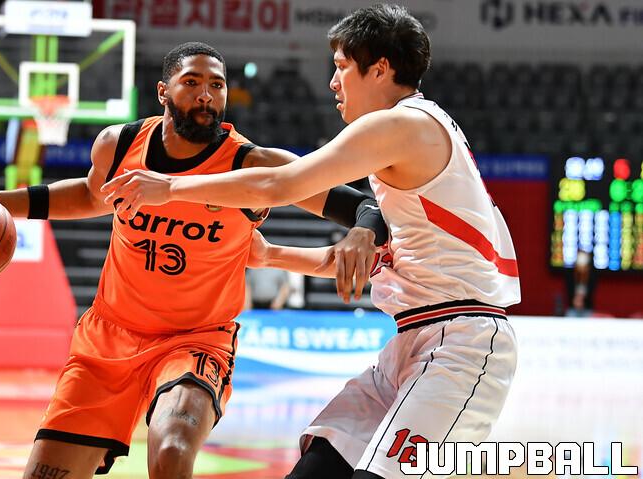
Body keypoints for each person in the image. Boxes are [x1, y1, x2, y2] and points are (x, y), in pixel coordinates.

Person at [0, 42, 389, 479]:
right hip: (108, 338)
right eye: (192, 82)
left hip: (195, 341)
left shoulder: (252, 167)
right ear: (163, 91)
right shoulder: (121, 145)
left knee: (171, 450)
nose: (206, 95)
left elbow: (365, 207)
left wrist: (362, 232)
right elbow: (89, 196)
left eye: (217, 85)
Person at [102, 6, 521, 479]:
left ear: (380, 69)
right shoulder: (411, 142)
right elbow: (359, 262)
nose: (333, 83)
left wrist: (172, 187)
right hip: (415, 341)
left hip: (461, 347)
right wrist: (271, 255)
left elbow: (278, 184)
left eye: (342, 67)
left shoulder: (400, 125)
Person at [564, 250, 596, 317]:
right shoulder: (571, 275)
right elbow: (568, 290)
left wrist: (583, 300)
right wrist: (575, 300)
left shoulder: (591, 276)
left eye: (584, 263)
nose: (582, 266)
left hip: (587, 308)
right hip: (572, 308)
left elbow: (592, 291)